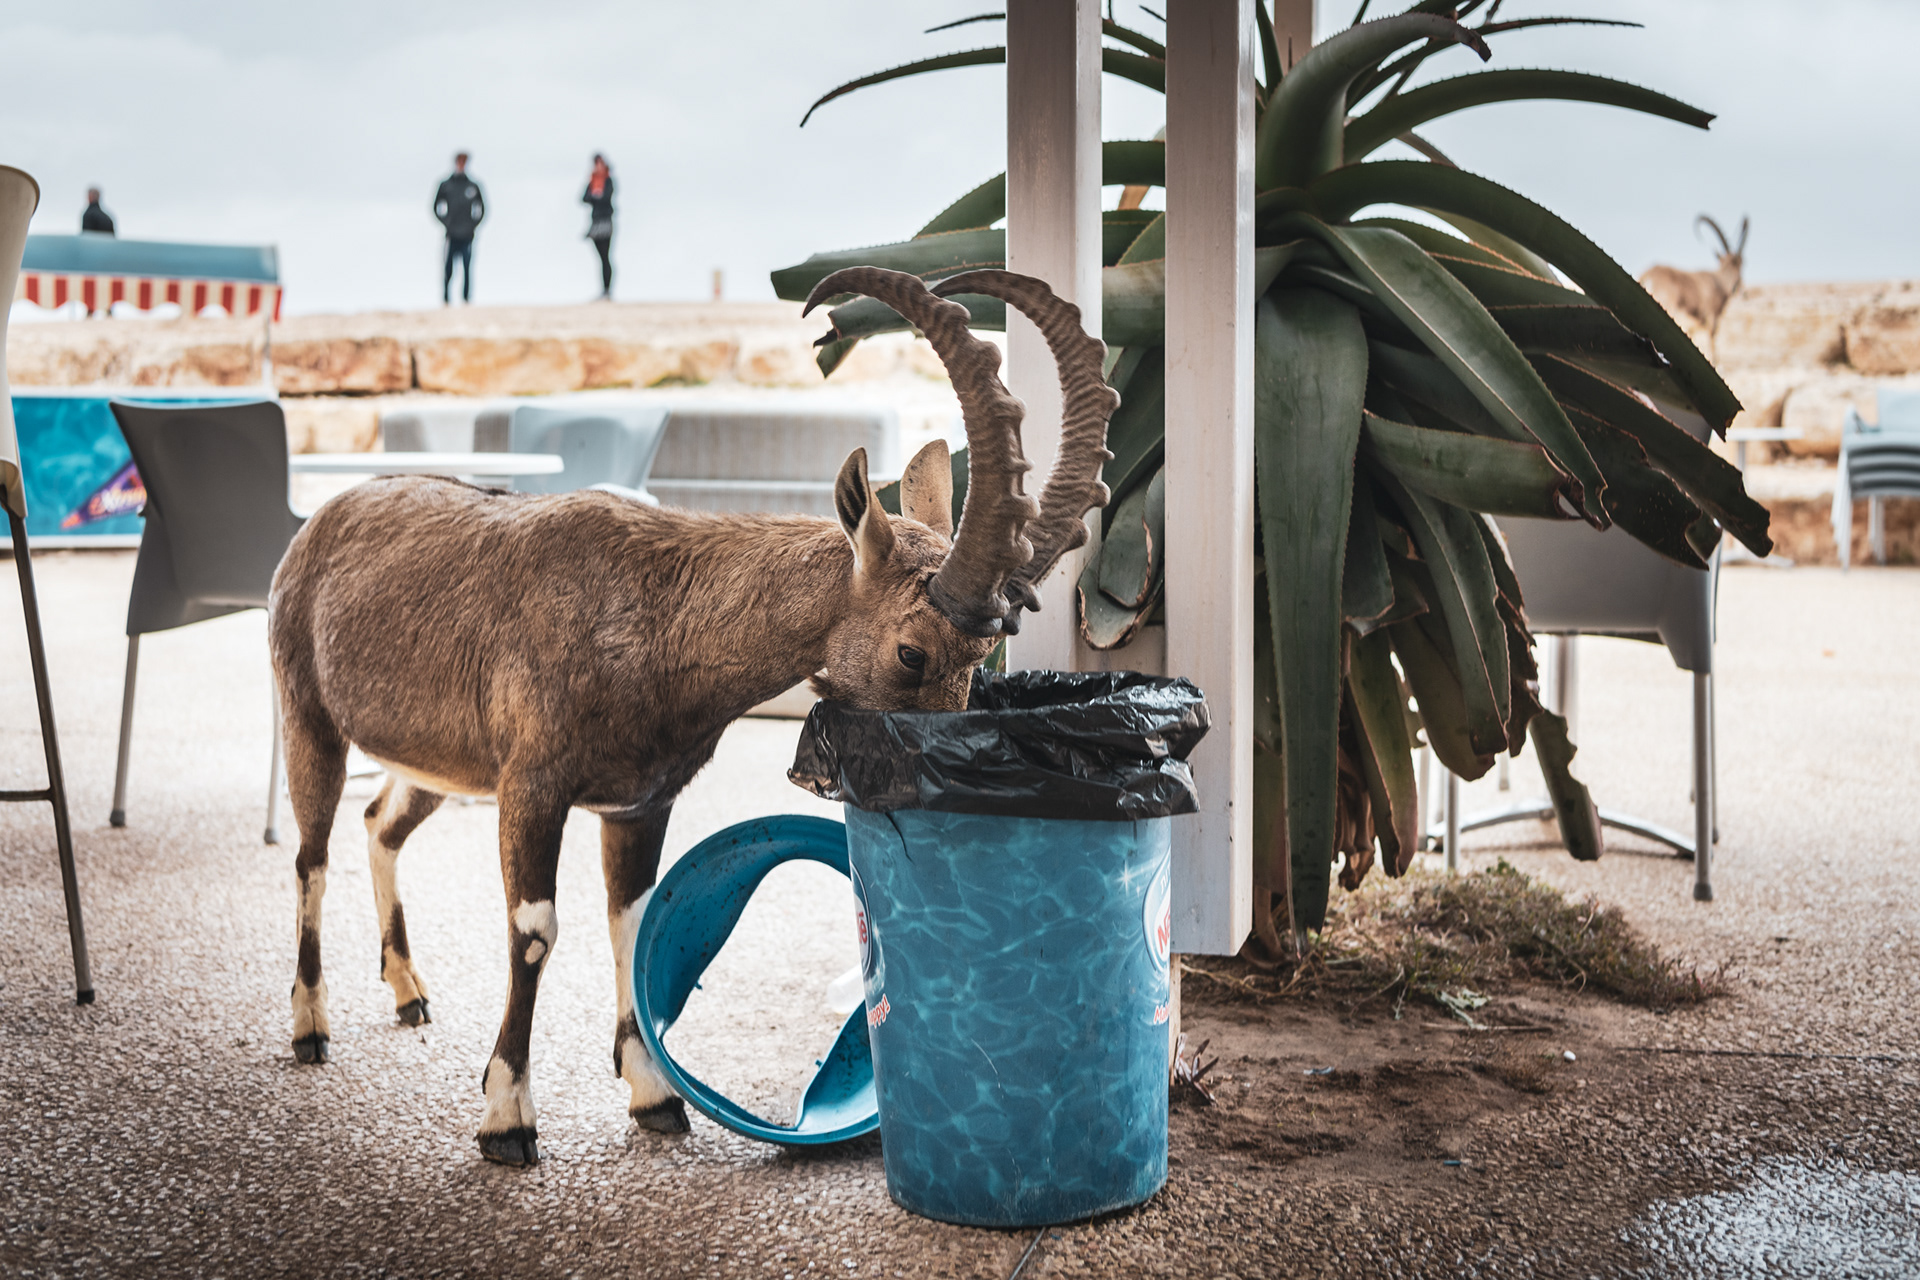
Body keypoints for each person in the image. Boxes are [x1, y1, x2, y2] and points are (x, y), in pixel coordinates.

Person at [432, 152, 485, 304]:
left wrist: (472, 225)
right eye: (459, 161)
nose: (461, 164)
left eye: (464, 162)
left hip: (467, 235)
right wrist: (446, 222)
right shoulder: (446, 185)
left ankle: (466, 298)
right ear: (455, 163)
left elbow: (482, 208)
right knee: (448, 268)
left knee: (467, 267)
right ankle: (446, 298)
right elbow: (435, 206)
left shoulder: (472, 186)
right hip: (451, 234)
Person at [582, 154, 615, 300]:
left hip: (605, 221)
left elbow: (606, 197)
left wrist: (596, 196)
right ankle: (603, 290)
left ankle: (607, 291)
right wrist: (596, 195)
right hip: (595, 222)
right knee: (600, 258)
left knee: (605, 258)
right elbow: (584, 198)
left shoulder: (608, 181)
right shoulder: (592, 181)